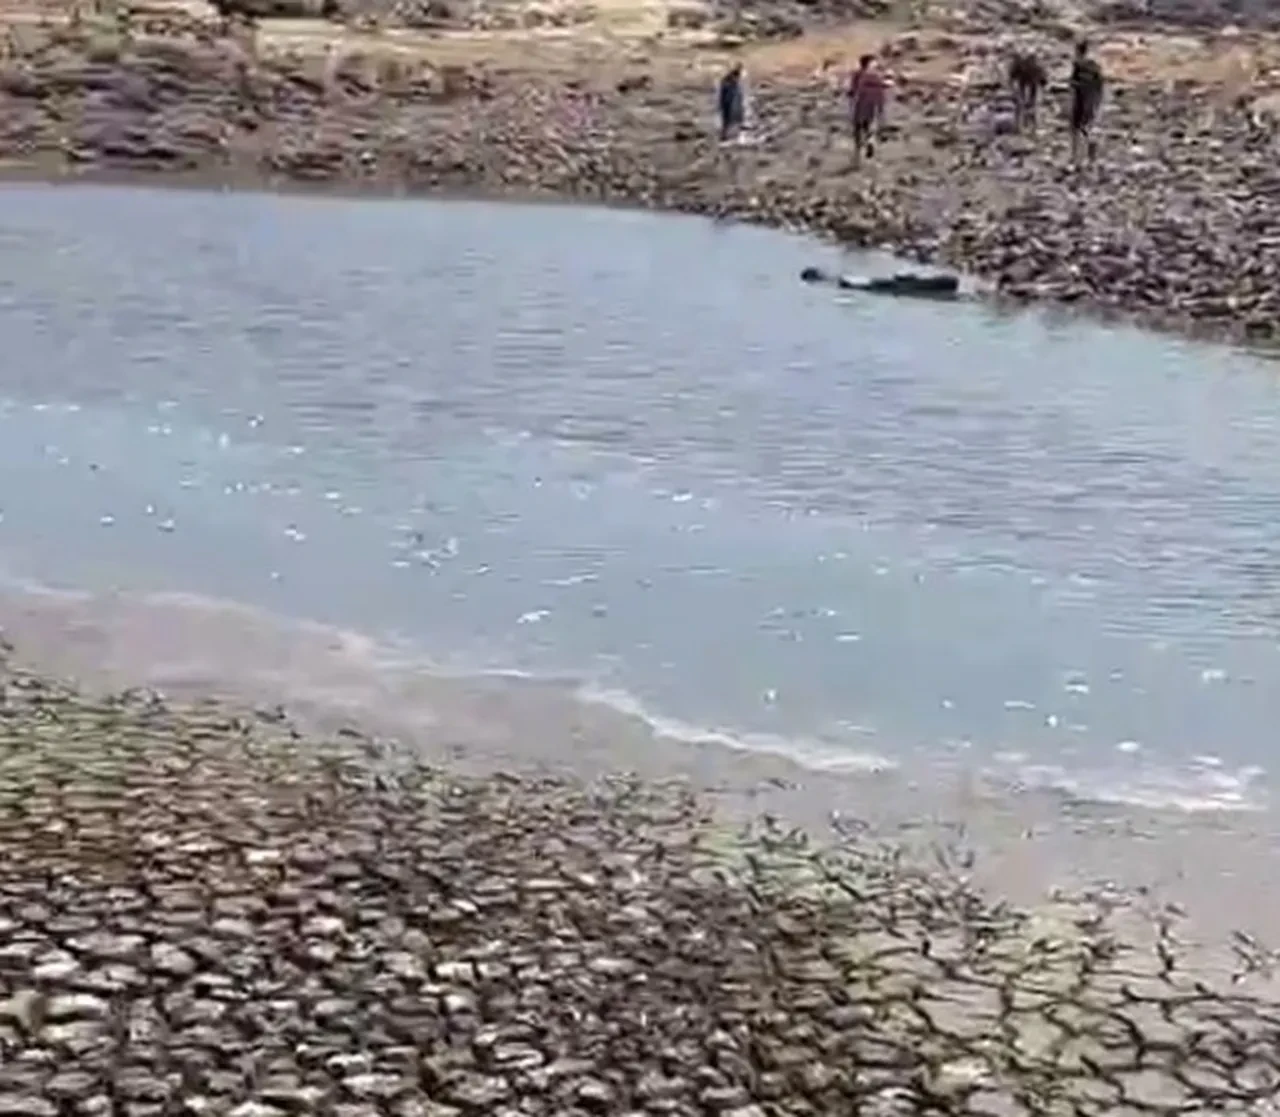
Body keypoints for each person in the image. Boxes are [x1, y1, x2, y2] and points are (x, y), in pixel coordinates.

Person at [847, 54, 886, 165]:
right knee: (869, 127)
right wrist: (881, 107)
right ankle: (869, 142)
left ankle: (857, 155)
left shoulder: (857, 75)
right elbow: (881, 93)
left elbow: (852, 91)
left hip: (860, 105)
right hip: (871, 105)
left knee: (859, 130)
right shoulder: (876, 76)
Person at [1068, 39, 1104, 161]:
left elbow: (1072, 84)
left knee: (1076, 129)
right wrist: (1098, 102)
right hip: (1092, 101)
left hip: (1080, 101)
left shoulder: (1078, 65)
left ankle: (1076, 157)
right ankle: (1090, 157)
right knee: (1088, 128)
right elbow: (1100, 86)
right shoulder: (1094, 67)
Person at [1007, 49, 1047, 133]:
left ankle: (1023, 126)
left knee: (1024, 104)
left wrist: (1011, 85)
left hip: (1027, 84)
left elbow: (1012, 77)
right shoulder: (1035, 64)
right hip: (1029, 83)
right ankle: (1032, 126)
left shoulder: (1021, 64)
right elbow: (1042, 77)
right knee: (1030, 104)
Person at [717, 62, 745, 142]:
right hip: (728, 100)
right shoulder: (730, 78)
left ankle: (731, 134)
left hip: (729, 100)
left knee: (731, 118)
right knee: (727, 118)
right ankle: (725, 134)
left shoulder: (731, 78)